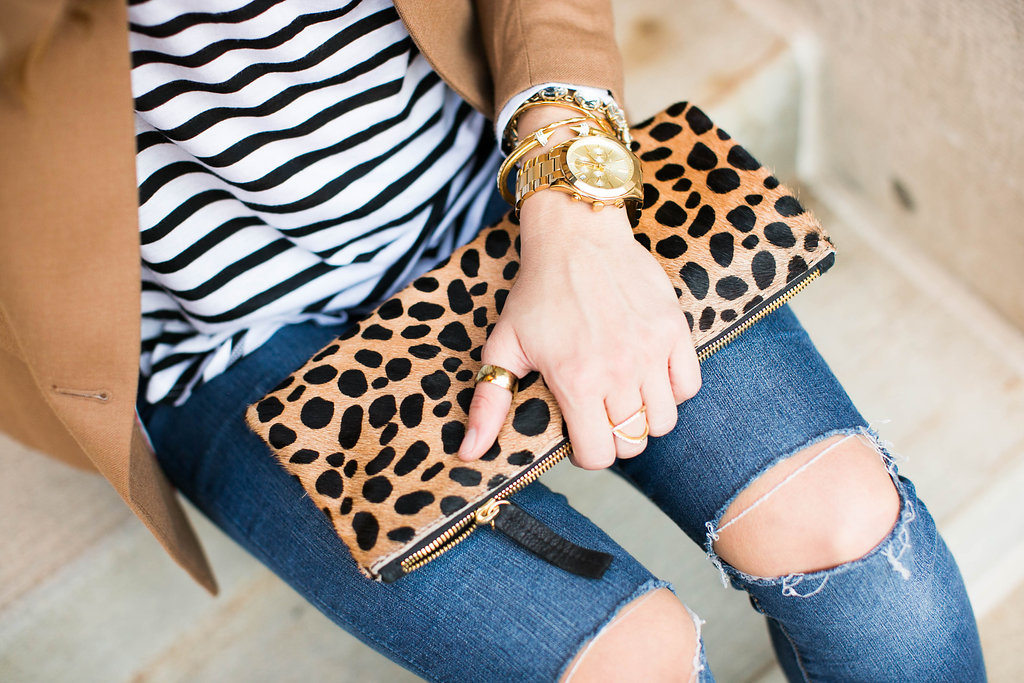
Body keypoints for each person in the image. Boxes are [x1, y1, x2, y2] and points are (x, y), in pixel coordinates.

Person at [0, 0, 986, 680]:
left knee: (853, 533)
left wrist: (572, 208)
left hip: (487, 166)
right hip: (213, 326)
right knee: (619, 659)